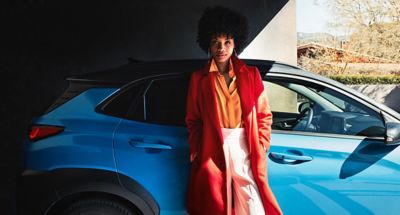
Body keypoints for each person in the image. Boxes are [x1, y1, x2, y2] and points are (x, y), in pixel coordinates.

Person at [185, 6, 283, 215]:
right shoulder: (198, 79)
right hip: (213, 146)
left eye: (227, 42)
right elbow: (193, 119)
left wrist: (262, 142)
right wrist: (196, 148)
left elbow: (264, 114)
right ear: (208, 45)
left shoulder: (251, 74)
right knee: (219, 206)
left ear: (235, 43)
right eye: (216, 42)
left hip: (246, 145)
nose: (221, 48)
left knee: (253, 208)